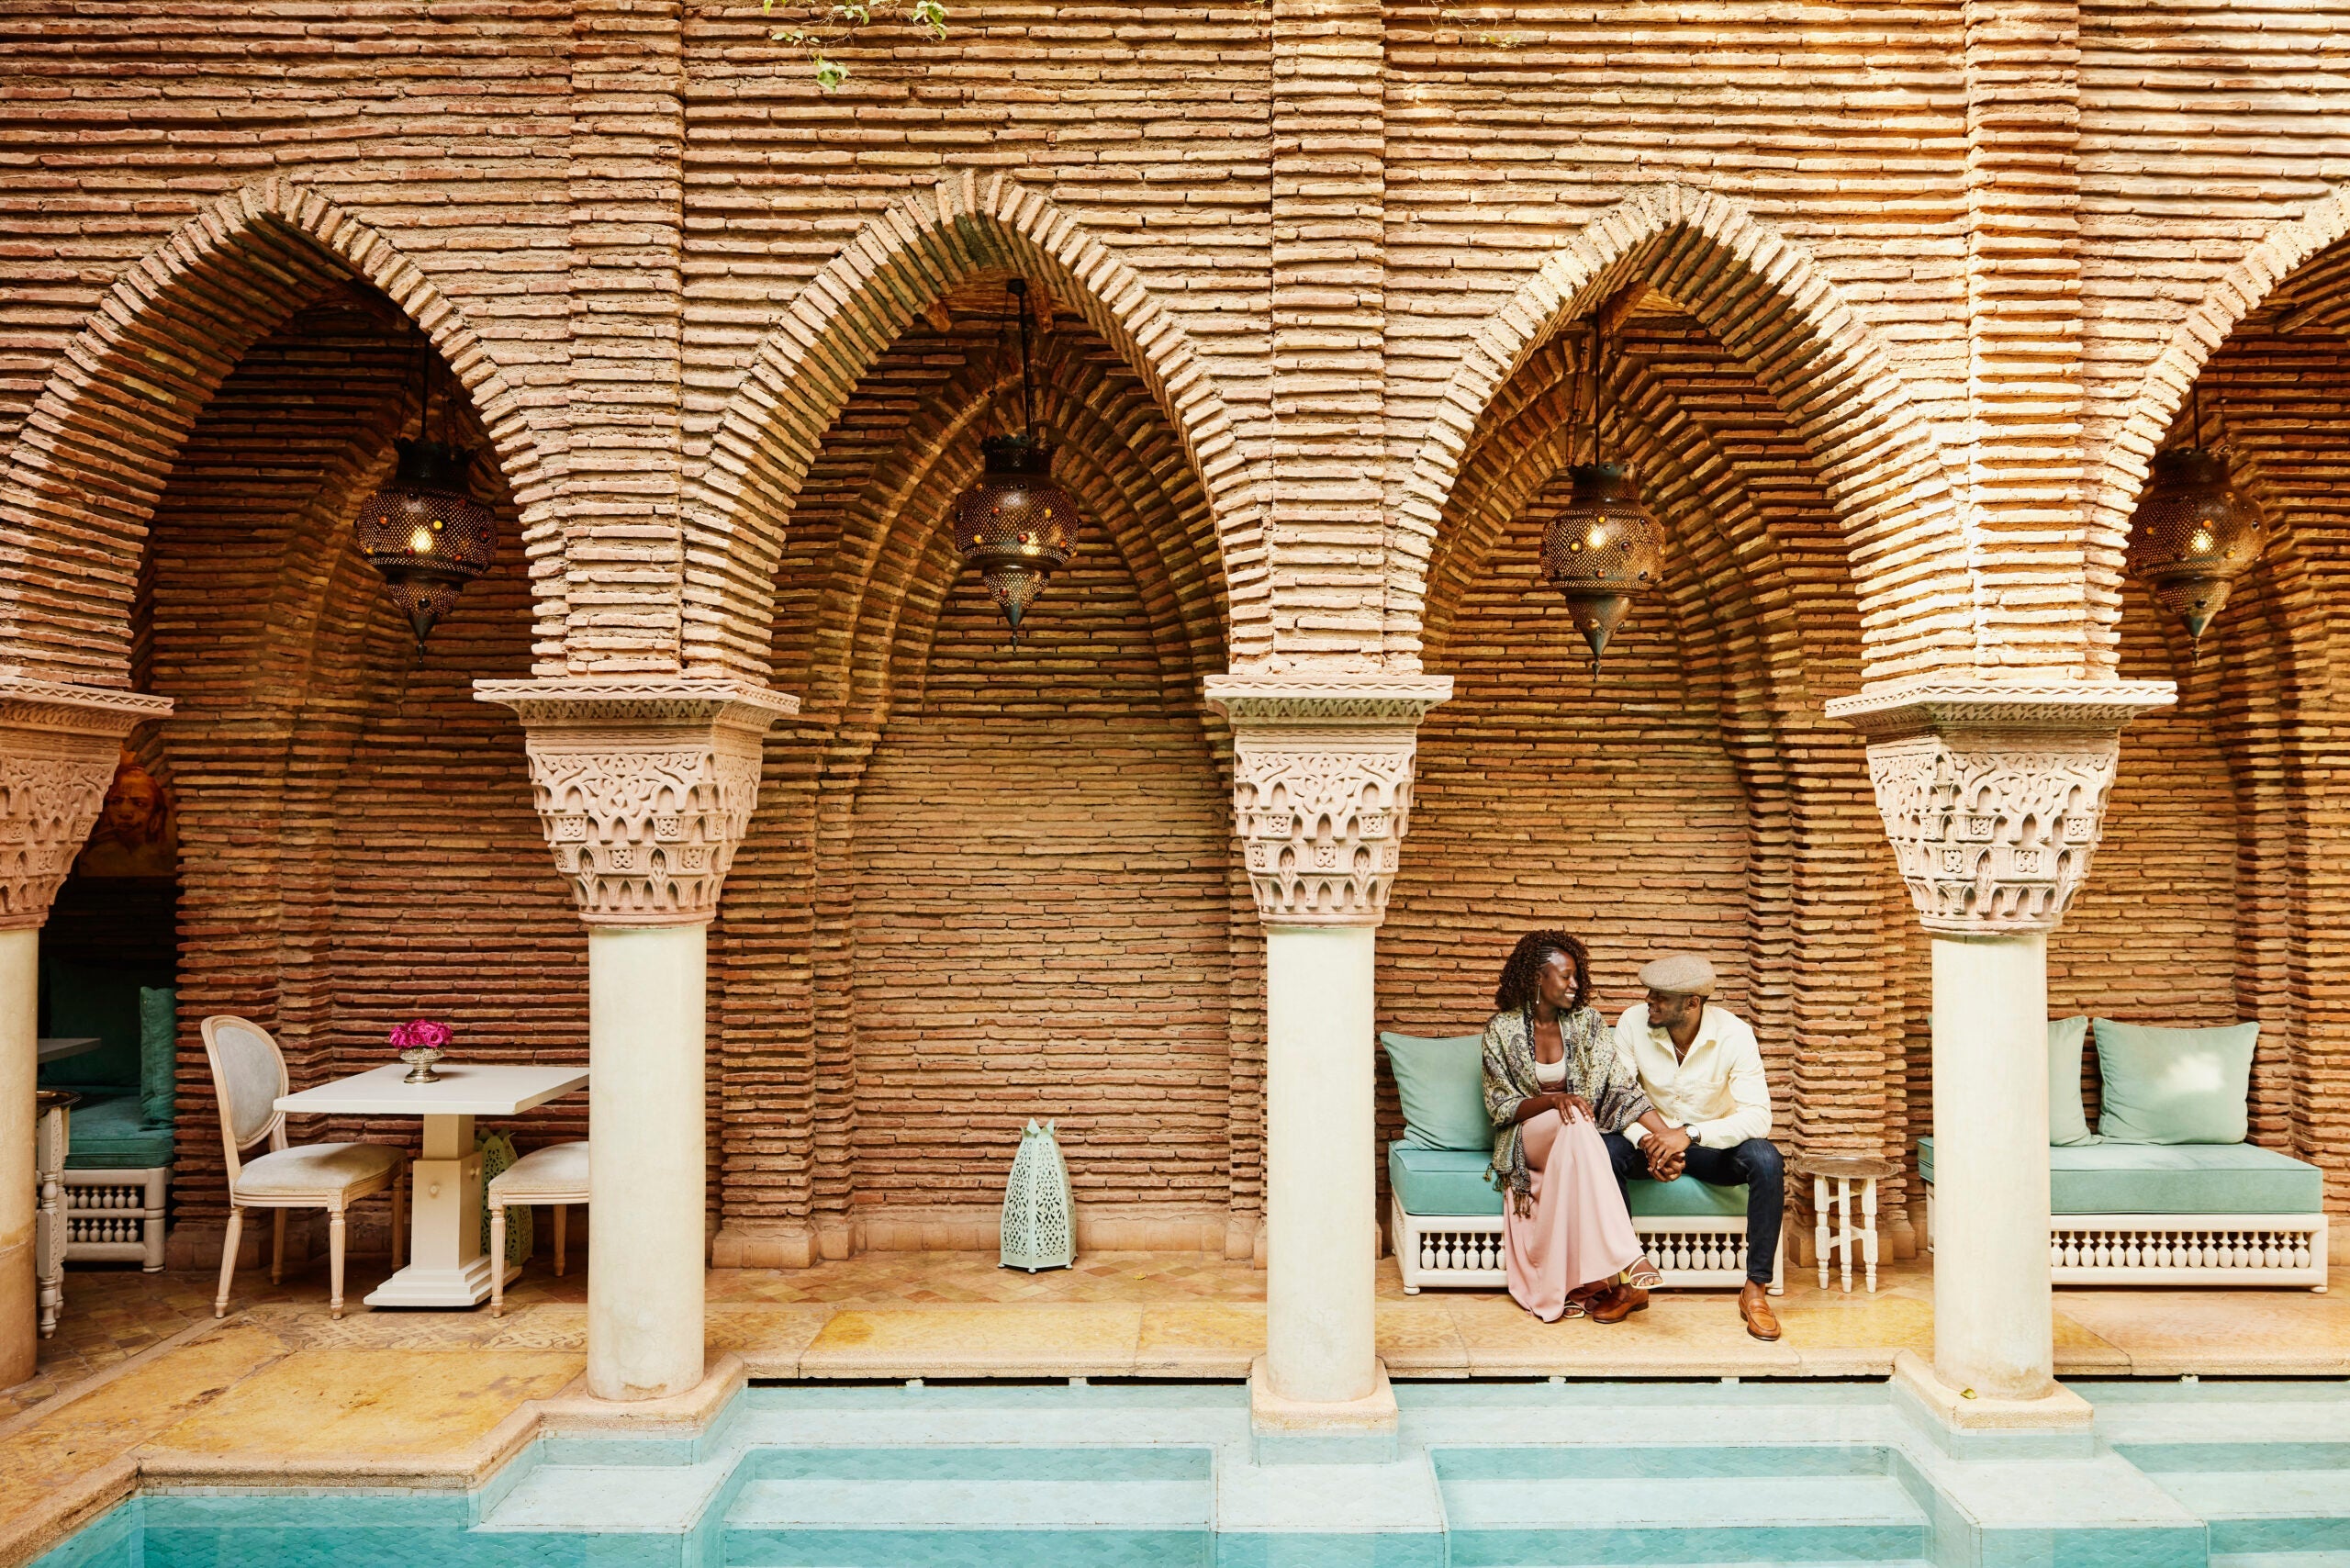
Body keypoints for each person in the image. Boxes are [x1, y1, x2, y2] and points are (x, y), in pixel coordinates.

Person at [1482, 930, 1676, 1324]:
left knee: (1577, 1120)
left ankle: (1578, 1282)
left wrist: (1665, 1137)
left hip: (1576, 1134)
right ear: (1538, 977)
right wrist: (1554, 1100)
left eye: (1577, 976)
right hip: (1526, 1135)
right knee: (1575, 1116)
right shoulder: (1501, 1029)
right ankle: (1628, 1256)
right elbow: (1500, 1106)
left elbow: (1620, 1087)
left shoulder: (1587, 1023)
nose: (1575, 984)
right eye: (1565, 976)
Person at [1605, 953, 1785, 1342]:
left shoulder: (1735, 1034)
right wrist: (1650, 1142)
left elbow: (1758, 1117)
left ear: (1691, 1003)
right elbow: (1617, 1100)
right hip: (1650, 1145)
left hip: (1711, 1148)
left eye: (1660, 996)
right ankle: (1630, 1281)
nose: (1649, 1000)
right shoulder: (1633, 1023)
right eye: (1650, 992)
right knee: (1605, 1149)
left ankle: (1755, 1290)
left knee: (1767, 1159)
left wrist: (1689, 1134)